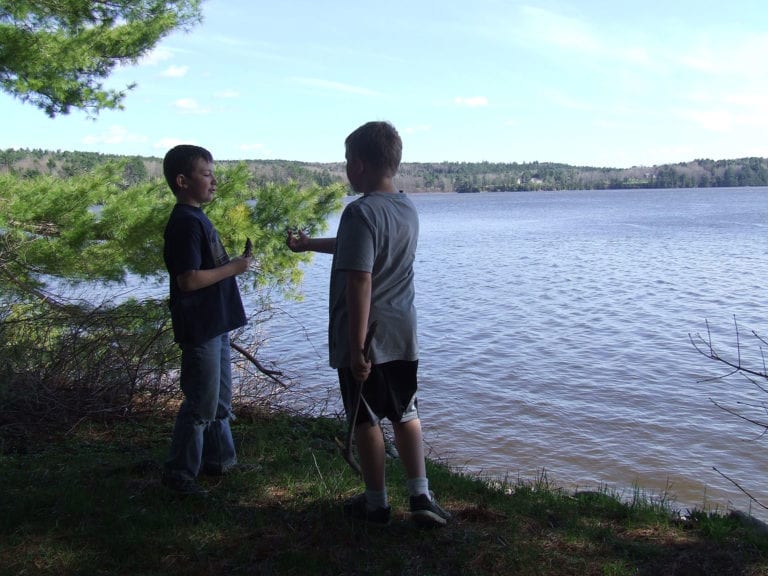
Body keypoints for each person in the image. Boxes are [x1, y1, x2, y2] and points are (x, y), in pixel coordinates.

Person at [286, 121, 451, 526]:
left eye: (346, 160)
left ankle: (376, 503)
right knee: (406, 412)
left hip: (366, 337)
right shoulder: (406, 208)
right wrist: (308, 245)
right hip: (402, 333)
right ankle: (421, 496)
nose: (346, 167)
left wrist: (357, 347)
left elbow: (360, 278)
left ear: (358, 165)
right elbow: (361, 249)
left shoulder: (359, 211)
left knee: (366, 418)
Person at [161, 144, 253, 495]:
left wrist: (233, 267)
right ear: (182, 181)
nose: (214, 181)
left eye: (213, 174)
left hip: (216, 323)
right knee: (200, 404)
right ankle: (179, 475)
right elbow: (188, 280)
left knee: (220, 402)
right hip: (200, 327)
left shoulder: (196, 217)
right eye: (206, 174)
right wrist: (234, 268)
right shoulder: (184, 223)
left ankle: (220, 461)